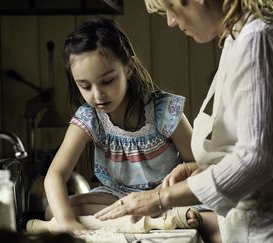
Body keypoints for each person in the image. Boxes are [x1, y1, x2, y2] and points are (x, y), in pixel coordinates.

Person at [95, 0, 273, 242]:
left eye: (171, 8)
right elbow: (265, 151)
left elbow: (257, 161)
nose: (171, 21)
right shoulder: (242, 37)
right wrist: (206, 169)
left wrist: (161, 197)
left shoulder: (258, 39)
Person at [44, 17, 219, 239]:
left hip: (166, 196)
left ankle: (173, 215)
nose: (97, 95)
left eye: (107, 81)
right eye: (85, 86)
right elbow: (55, 175)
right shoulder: (89, 117)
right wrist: (67, 222)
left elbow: (200, 166)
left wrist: (167, 194)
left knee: (217, 227)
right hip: (117, 199)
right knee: (55, 211)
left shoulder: (163, 110)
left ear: (128, 68)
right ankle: (165, 220)